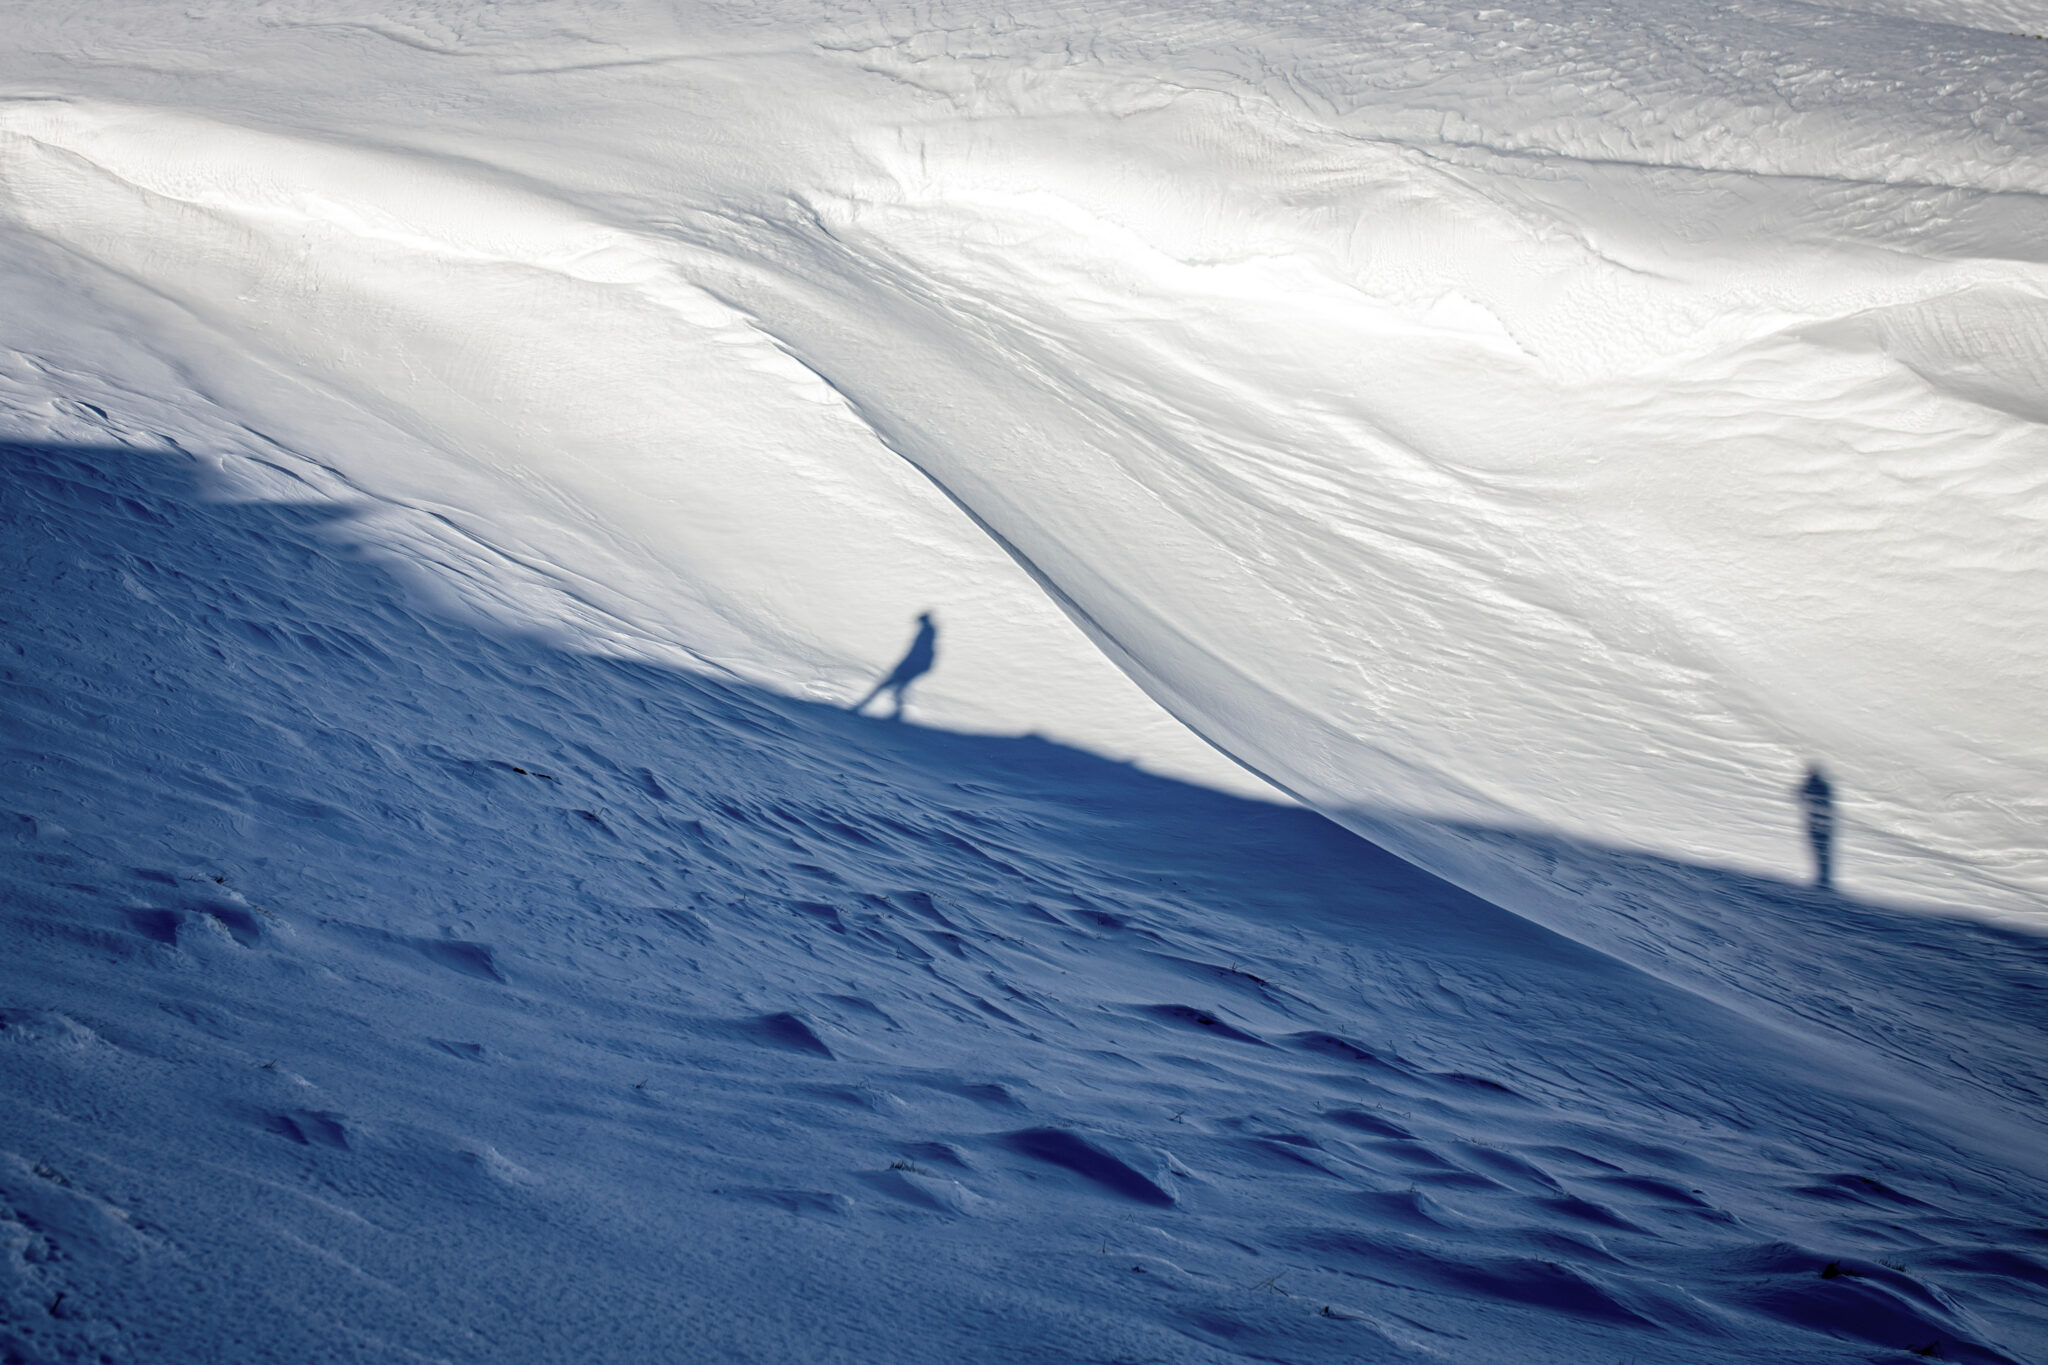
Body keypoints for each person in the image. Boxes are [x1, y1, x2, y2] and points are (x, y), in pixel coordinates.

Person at [853, 612, 937, 720]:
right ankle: (897, 713)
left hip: (909, 667)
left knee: (886, 686)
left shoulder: (926, 634)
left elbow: (916, 653)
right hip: (912, 667)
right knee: (897, 689)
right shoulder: (928, 634)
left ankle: (860, 708)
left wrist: (904, 666)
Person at [1799, 765, 1835, 890]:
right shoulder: (1824, 786)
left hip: (1814, 823)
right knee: (1824, 851)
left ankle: (1822, 876)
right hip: (1824, 823)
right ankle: (1824, 875)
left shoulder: (1810, 786)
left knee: (1818, 850)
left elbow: (1798, 797)